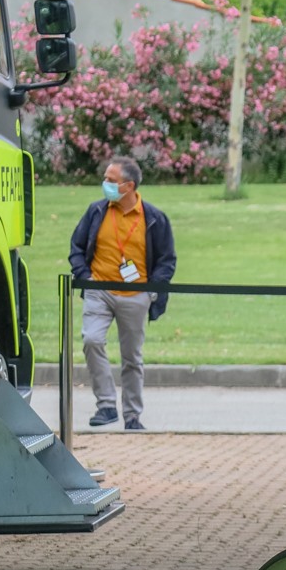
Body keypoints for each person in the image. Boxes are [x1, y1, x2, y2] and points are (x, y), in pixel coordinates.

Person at [68, 156, 176, 430]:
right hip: (98, 291)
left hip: (136, 295)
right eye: (105, 178)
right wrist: (85, 277)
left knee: (132, 357)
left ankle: (132, 415)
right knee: (92, 340)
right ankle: (105, 405)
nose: (105, 184)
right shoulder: (96, 212)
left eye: (111, 180)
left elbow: (166, 259)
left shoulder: (153, 218)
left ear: (128, 186)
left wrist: (152, 290)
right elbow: (77, 247)